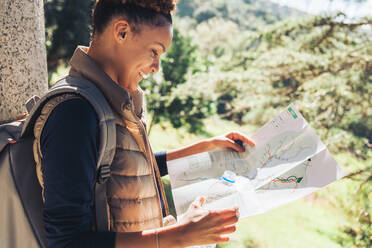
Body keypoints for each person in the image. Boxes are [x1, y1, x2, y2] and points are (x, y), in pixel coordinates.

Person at [33, 0, 255, 247]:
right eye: (155, 51)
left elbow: (130, 171)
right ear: (122, 32)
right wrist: (181, 235)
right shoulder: (74, 113)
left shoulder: (113, 102)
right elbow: (67, 241)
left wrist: (205, 147)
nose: (156, 68)